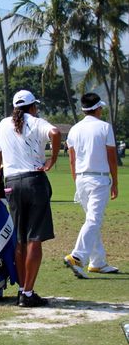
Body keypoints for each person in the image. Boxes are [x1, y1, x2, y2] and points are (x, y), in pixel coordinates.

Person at [0, 90, 61, 308]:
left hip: (11, 184)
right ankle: (28, 293)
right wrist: (52, 160)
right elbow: (56, 133)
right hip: (35, 181)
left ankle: (23, 289)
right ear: (32, 107)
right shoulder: (37, 122)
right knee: (34, 238)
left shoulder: (2, 125)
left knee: (19, 240)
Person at [63, 93, 119, 278]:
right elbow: (112, 158)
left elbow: (72, 160)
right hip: (99, 180)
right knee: (94, 220)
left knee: (91, 221)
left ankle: (97, 262)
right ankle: (77, 256)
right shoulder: (105, 127)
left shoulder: (74, 129)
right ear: (97, 108)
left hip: (81, 180)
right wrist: (115, 182)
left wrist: (76, 181)